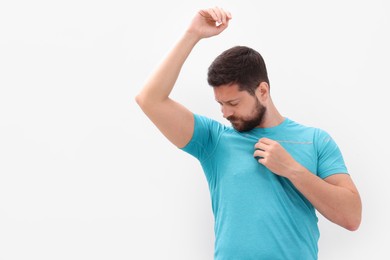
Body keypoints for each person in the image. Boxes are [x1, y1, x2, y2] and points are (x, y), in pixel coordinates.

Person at [135, 7, 362, 260]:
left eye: (233, 103)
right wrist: (192, 34)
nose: (224, 113)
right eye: (220, 104)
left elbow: (351, 217)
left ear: (262, 91)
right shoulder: (214, 140)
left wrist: (291, 169)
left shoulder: (315, 140)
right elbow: (149, 99)